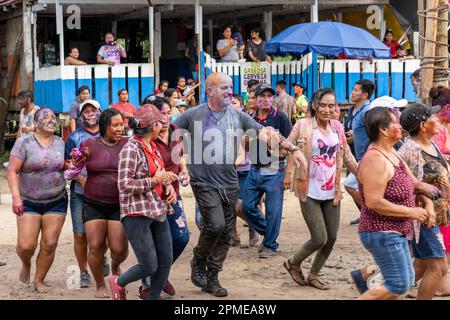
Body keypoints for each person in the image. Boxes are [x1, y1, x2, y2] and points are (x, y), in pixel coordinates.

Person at [174, 72, 306, 297]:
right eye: (224, 88)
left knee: (226, 232)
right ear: (209, 92)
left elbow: (267, 133)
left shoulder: (237, 116)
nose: (229, 91)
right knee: (215, 225)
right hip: (203, 182)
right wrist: (176, 166)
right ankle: (199, 259)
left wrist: (293, 149)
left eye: (230, 87)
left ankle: (212, 276)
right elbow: (170, 137)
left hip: (230, 182)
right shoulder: (191, 115)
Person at [356, 106, 438, 300]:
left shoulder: (393, 152)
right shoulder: (374, 159)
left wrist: (428, 204)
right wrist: (411, 212)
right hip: (381, 231)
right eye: (395, 122)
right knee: (398, 284)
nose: (400, 126)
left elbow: (414, 184)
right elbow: (374, 202)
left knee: (404, 281)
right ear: (383, 130)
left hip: (396, 230)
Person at [283, 88, 357, 290]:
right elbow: (286, 146)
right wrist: (290, 169)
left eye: (331, 105)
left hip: (332, 188)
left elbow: (347, 155)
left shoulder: (337, 127)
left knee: (331, 237)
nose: (326, 109)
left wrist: (361, 175)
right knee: (319, 237)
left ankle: (314, 274)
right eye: (322, 105)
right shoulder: (303, 125)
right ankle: (293, 263)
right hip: (308, 188)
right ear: (314, 105)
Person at [109, 104, 178, 300]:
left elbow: (160, 174)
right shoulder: (131, 149)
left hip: (157, 208)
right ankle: (118, 282)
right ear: (154, 126)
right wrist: (155, 181)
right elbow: (124, 185)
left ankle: (152, 296)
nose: (163, 127)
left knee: (165, 260)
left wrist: (168, 187)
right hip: (136, 213)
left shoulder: (153, 147)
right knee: (149, 264)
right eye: (160, 124)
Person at [7, 108, 67, 293]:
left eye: (53, 117)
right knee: (26, 246)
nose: (51, 120)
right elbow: (12, 171)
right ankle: (26, 263)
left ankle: (39, 280)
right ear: (35, 122)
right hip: (29, 200)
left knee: (49, 244)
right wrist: (16, 198)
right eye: (46, 117)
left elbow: (61, 166)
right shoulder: (24, 142)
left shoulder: (60, 142)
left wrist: (71, 166)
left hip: (56, 199)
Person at [138, 96, 191, 299]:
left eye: (169, 111)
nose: (167, 116)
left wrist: (184, 170)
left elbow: (181, 155)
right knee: (155, 241)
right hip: (152, 197)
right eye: (162, 114)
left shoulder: (176, 129)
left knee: (181, 237)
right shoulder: (145, 138)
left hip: (173, 194)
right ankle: (150, 283)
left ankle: (160, 275)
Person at [398, 103, 450, 299]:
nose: (436, 120)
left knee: (421, 264)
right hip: (423, 218)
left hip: (439, 214)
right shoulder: (410, 149)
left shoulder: (431, 144)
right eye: (432, 118)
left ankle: (377, 288)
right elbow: (402, 182)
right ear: (421, 125)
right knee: (438, 267)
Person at [80, 109, 129, 298]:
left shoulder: (128, 144)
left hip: (119, 203)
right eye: (115, 125)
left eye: (121, 124)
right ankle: (100, 284)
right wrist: (77, 165)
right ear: (104, 126)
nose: (120, 128)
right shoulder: (89, 145)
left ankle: (115, 266)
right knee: (95, 246)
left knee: (119, 249)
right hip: (93, 203)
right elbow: (73, 167)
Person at [242, 83, 293, 258]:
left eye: (269, 96)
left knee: (273, 210)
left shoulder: (281, 118)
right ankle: (269, 233)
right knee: (247, 206)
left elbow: (291, 145)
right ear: (255, 99)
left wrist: (288, 173)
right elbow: (245, 144)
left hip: (275, 168)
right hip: (254, 168)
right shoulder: (249, 118)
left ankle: (270, 244)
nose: (266, 99)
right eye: (262, 96)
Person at [65, 99, 101, 288]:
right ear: (81, 116)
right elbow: (67, 164)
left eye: (93, 110)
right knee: (80, 234)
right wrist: (80, 179)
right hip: (79, 193)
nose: (90, 113)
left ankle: (101, 258)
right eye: (86, 111)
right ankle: (83, 271)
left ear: (100, 112)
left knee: (102, 234)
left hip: (104, 193)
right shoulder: (75, 136)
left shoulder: (108, 133)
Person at [344, 79, 375, 225]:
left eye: (356, 90)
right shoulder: (352, 110)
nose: (352, 92)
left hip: (366, 156)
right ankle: (366, 215)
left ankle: (371, 215)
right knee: (361, 188)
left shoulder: (368, 111)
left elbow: (373, 134)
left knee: (350, 184)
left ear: (365, 95)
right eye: (353, 89)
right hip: (354, 155)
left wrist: (354, 136)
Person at [230, 94, 259, 247]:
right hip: (228, 172)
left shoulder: (247, 123)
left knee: (248, 204)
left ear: (241, 107)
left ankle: (254, 228)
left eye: (233, 103)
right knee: (229, 204)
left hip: (245, 169)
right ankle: (233, 235)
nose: (230, 105)